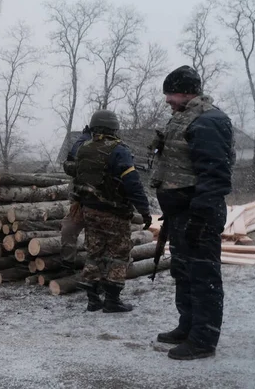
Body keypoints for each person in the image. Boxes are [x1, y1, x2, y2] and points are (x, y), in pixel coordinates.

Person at [150, 66, 234, 360]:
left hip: (199, 214)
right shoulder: (183, 118)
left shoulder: (209, 121)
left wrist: (199, 217)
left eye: (170, 94)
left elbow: (215, 176)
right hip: (181, 213)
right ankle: (188, 326)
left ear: (185, 92)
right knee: (183, 272)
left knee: (203, 276)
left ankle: (203, 339)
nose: (167, 101)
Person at [71, 110, 152, 313]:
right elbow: (133, 184)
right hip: (113, 211)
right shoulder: (118, 150)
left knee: (94, 252)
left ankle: (92, 299)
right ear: (113, 128)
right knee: (118, 254)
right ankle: (112, 301)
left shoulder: (83, 148)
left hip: (89, 209)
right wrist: (144, 210)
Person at [60, 125, 92, 269]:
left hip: (101, 205)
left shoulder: (112, 149)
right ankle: (68, 264)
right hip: (80, 202)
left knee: (97, 239)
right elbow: (70, 165)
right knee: (68, 230)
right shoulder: (83, 146)